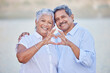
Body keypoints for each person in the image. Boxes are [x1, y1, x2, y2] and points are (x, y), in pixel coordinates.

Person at [18, 5, 96, 73]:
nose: (61, 21)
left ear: (72, 17)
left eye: (63, 17)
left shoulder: (84, 34)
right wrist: (26, 36)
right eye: (57, 19)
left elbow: (88, 61)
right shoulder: (55, 38)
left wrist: (70, 44)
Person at [16, 8, 58, 73]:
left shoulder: (55, 42)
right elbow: (21, 58)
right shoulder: (26, 39)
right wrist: (43, 42)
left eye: (49, 22)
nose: (45, 24)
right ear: (36, 22)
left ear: (53, 26)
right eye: (43, 21)